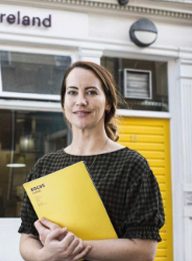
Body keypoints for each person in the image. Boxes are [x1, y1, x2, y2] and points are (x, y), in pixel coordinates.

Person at [18, 60, 165, 261]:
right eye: (72, 92)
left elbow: (143, 250)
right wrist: (44, 256)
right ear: (63, 103)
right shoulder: (45, 166)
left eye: (91, 92)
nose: (81, 100)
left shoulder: (132, 165)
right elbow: (27, 237)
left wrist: (68, 248)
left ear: (109, 103)